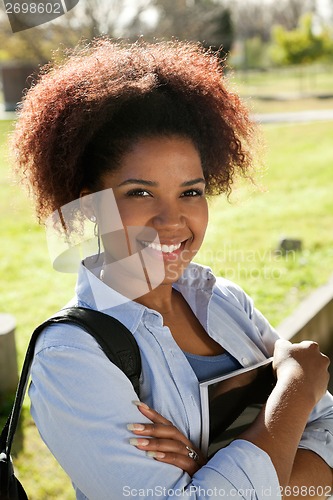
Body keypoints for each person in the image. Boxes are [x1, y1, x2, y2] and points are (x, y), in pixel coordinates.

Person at [12, 38, 333, 499]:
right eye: (140, 193)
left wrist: (213, 472)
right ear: (91, 204)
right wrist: (295, 394)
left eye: (190, 192)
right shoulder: (71, 357)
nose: (172, 221)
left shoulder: (223, 300)